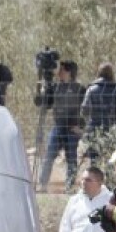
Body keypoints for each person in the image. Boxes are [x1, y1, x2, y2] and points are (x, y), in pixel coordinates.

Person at [35, 60, 85, 191]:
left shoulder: (79, 89)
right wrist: (41, 91)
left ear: (69, 72)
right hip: (58, 127)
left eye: (62, 70)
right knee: (49, 156)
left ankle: (69, 186)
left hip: (72, 129)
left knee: (71, 158)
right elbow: (45, 104)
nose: (59, 73)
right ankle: (43, 184)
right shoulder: (55, 87)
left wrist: (81, 128)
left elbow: (86, 110)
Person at [80, 63, 116, 161]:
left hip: (94, 130)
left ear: (99, 73)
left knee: (94, 161)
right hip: (111, 130)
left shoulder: (91, 89)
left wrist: (89, 120)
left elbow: (84, 110)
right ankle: (108, 176)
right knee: (109, 160)